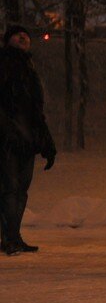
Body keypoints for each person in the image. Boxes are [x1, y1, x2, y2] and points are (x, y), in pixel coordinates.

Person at [0, 25, 56, 255]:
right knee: (11, 188)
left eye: (26, 35)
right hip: (9, 138)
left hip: (26, 138)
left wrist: (45, 141)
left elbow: (36, 111)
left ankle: (13, 236)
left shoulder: (29, 69)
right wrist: (10, 131)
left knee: (20, 189)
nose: (23, 37)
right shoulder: (5, 65)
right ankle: (10, 238)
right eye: (17, 34)